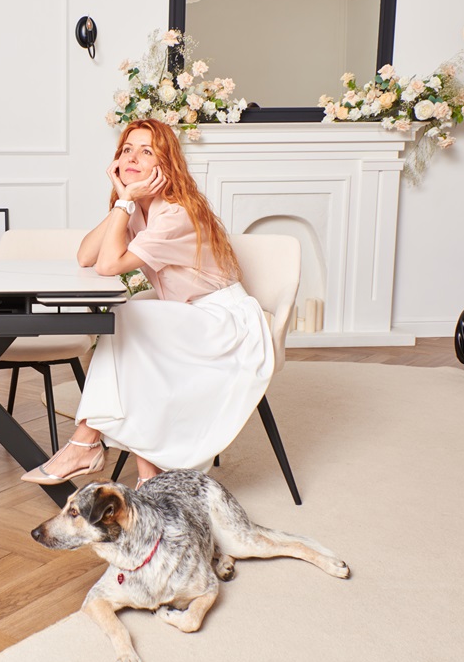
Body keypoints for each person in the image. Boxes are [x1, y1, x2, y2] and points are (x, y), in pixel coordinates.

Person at [21, 118, 274, 487]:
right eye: (127, 150)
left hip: (225, 323)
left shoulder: (175, 213)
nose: (132, 158)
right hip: (187, 316)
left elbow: (108, 265)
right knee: (134, 336)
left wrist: (125, 199)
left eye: (146, 151)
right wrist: (124, 201)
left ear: (164, 165)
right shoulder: (137, 209)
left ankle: (86, 444)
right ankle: (144, 476)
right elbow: (85, 256)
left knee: (131, 319)